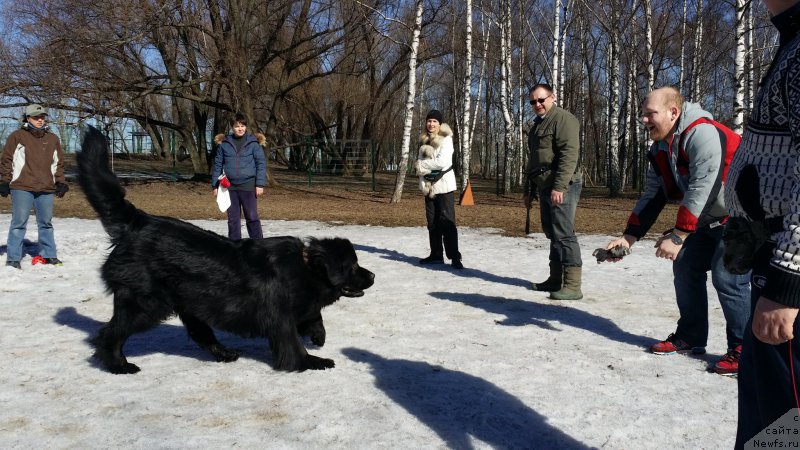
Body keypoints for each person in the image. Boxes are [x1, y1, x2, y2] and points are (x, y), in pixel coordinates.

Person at [602, 86, 750, 375]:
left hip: (742, 216)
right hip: (709, 218)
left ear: (673, 112)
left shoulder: (702, 133)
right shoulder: (660, 147)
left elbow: (703, 187)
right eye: (642, 115)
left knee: (728, 277)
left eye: (650, 114)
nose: (644, 120)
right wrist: (629, 236)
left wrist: (680, 234)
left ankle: (745, 349)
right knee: (685, 265)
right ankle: (691, 336)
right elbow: (654, 194)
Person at [728, 0, 800, 447]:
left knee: (783, 424)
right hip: (768, 253)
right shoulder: (791, 41)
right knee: (766, 416)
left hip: (786, 270)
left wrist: (789, 282)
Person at [523, 83, 583, 300]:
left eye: (541, 100)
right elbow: (534, 161)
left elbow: (569, 154)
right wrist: (529, 190)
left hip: (562, 185)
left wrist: (560, 186)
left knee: (564, 233)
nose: (537, 104)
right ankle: (555, 279)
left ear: (553, 97)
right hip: (544, 185)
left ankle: (573, 285)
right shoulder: (537, 125)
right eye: (533, 101)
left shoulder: (564, 119)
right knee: (553, 233)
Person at [0, 104, 68, 269]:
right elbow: (7, 160)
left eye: (42, 117)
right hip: (22, 186)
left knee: (46, 223)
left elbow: (58, 163)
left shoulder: (52, 139)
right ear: (27, 118)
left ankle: (49, 254)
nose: (40, 120)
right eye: (36, 117)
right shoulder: (17, 136)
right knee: (19, 222)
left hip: (46, 187)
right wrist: (4, 180)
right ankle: (13, 258)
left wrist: (60, 181)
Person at [414, 109, 463, 270]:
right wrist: (422, 168)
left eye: (435, 121)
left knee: (447, 222)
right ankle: (436, 254)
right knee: (432, 222)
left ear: (440, 124)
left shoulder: (446, 139)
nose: (431, 124)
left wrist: (422, 166)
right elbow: (420, 162)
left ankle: (454, 256)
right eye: (429, 121)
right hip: (429, 187)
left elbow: (443, 162)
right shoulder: (424, 140)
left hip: (444, 186)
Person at [211, 113, 267, 240]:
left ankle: (259, 245)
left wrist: (259, 184)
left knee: (252, 217)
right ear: (232, 127)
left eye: (242, 126)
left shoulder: (253, 143)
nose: (240, 128)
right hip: (229, 188)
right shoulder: (224, 143)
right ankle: (235, 246)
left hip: (248, 186)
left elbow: (261, 163)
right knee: (233, 219)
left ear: (246, 127)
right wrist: (215, 185)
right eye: (237, 126)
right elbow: (218, 164)